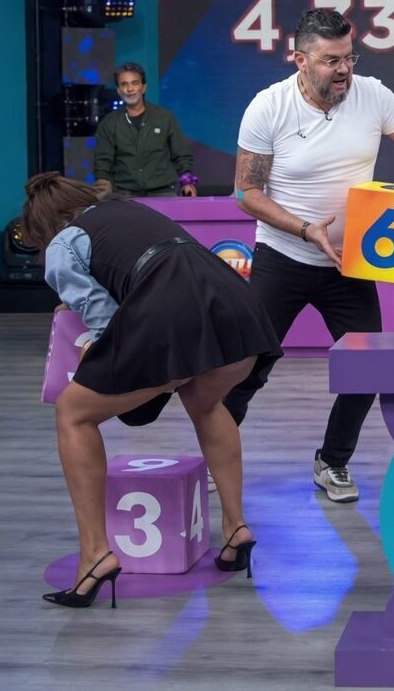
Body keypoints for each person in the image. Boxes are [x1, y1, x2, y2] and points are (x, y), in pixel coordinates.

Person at [224, 8, 394, 504]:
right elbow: (246, 193)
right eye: (331, 60)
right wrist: (306, 230)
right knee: (246, 368)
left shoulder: (373, 95)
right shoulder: (268, 107)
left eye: (350, 57)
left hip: (348, 264)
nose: (344, 69)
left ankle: (332, 462)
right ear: (300, 60)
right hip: (283, 254)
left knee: (367, 368)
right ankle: (215, 454)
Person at [22, 172, 281, 608]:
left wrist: (96, 359)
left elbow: (107, 321)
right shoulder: (126, 210)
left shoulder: (62, 246)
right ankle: (236, 528)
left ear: (45, 226)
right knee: (205, 401)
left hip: (170, 312)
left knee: (73, 412)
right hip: (235, 303)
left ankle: (95, 556)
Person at [93, 62, 199, 198]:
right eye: (124, 84)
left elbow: (182, 155)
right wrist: (103, 184)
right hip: (125, 195)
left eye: (135, 83)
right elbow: (103, 162)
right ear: (119, 91)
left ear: (143, 87)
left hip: (163, 192)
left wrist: (186, 182)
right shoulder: (109, 123)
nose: (130, 89)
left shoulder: (164, 117)